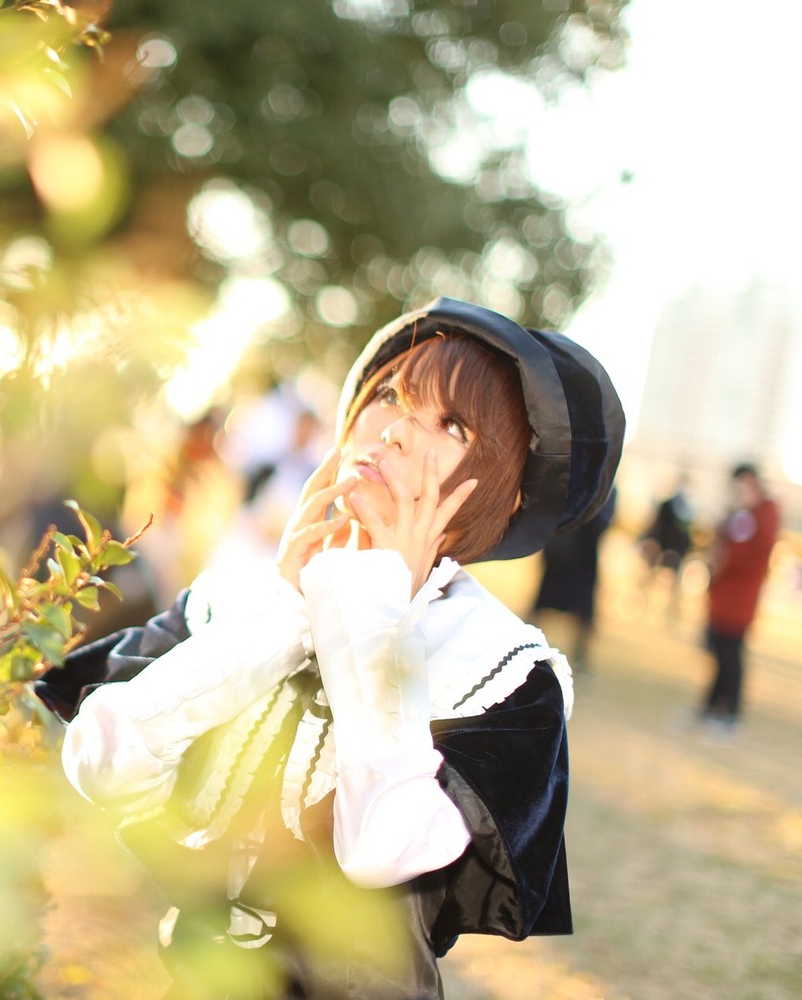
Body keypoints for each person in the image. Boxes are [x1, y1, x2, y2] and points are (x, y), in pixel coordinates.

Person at [36, 298, 624, 998]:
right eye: (390, 396)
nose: (398, 433)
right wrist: (283, 612)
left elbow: (384, 848)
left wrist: (376, 618)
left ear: (501, 490)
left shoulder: (500, 668)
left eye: (453, 425)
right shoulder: (243, 596)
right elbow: (102, 766)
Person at [700, 462, 779, 739]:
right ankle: (710, 706)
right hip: (723, 596)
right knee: (719, 653)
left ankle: (730, 712)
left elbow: (753, 554)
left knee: (731, 655)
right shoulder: (740, 512)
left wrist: (726, 558)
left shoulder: (765, 513)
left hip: (741, 599)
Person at [529, 487, 616, 672]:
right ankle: (522, 648)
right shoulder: (573, 478)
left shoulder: (605, 486)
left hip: (584, 557)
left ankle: (581, 659)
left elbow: (604, 521)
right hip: (563, 552)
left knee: (583, 612)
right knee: (543, 604)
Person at [639, 474, 694, 617]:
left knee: (675, 580)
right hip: (662, 544)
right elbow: (658, 525)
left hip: (676, 548)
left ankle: (671, 609)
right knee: (651, 574)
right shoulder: (669, 505)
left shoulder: (687, 509)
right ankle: (642, 600)